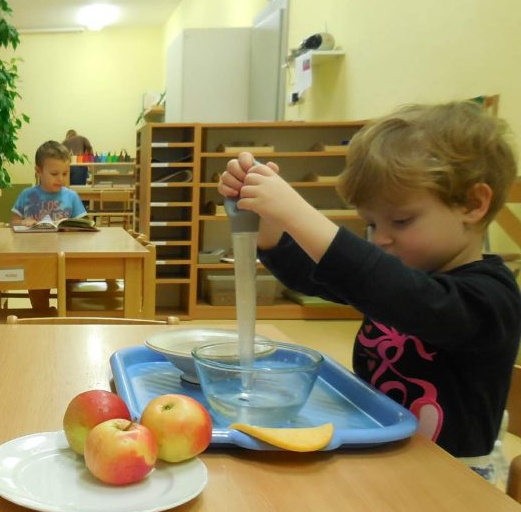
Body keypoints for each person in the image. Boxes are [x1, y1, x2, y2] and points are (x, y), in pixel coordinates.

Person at [219, 101, 520, 481]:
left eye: (400, 220)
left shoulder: (490, 298)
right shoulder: (405, 271)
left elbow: (403, 295)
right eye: (371, 224)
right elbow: (319, 275)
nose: (381, 239)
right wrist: (270, 227)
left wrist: (297, 212)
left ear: (473, 204)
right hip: (382, 452)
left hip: (450, 479)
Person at [11, 140, 88, 311]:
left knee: (72, 292)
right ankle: (42, 314)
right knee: (37, 288)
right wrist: (23, 222)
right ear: (38, 171)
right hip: (37, 257)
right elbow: (13, 222)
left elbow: (84, 227)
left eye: (65, 173)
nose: (60, 178)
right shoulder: (27, 195)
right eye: (54, 174)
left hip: (68, 257)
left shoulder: (71, 196)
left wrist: (73, 229)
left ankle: (65, 316)